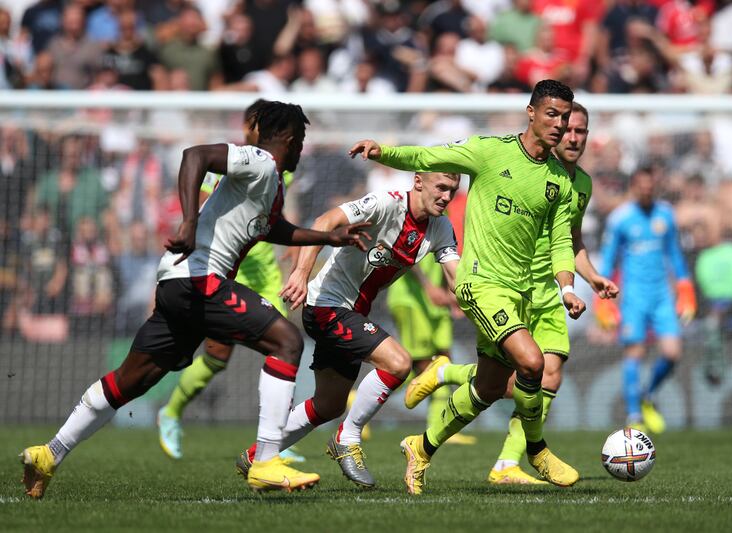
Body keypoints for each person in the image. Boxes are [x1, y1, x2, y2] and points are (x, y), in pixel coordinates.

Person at [19, 100, 370, 499]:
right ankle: (266, 460)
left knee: (133, 379)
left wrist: (326, 237)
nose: (302, 148)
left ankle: (49, 454)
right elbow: (195, 155)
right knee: (286, 342)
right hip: (199, 279)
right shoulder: (258, 160)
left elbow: (273, 229)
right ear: (288, 137)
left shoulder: (270, 181)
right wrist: (188, 220)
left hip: (177, 282)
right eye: (301, 139)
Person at [349, 79, 586, 495]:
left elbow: (562, 241)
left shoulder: (559, 181)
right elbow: (428, 155)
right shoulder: (489, 151)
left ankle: (420, 448)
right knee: (533, 365)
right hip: (480, 283)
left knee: (490, 388)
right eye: (551, 114)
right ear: (530, 113)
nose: (559, 124)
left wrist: (567, 287)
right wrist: (383, 150)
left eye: (565, 117)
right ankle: (537, 450)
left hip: (522, 293)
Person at [404, 102, 619, 484]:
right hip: (509, 288)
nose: (572, 136)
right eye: (567, 127)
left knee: (546, 376)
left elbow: (570, 240)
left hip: (549, 291)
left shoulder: (580, 184)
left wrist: (591, 277)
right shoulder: (527, 167)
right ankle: (459, 389)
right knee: (507, 380)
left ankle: (505, 462)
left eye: (580, 130)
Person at [235, 171, 462, 489]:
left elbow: (457, 277)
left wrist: (477, 301)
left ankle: (257, 455)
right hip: (327, 305)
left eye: (453, 190)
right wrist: (301, 273)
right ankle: (348, 438)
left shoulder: (440, 228)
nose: (446, 197)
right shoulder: (386, 203)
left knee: (328, 404)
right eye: (441, 187)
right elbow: (323, 221)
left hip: (352, 312)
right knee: (398, 363)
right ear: (419, 181)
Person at [157, 99, 301, 464]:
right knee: (218, 356)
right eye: (251, 122)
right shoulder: (230, 158)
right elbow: (206, 205)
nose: (251, 129)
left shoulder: (280, 164)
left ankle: (276, 439)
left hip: (263, 271)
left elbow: (283, 211)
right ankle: (171, 411)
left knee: (284, 343)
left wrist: (299, 255)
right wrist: (188, 230)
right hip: (220, 266)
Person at [598, 167, 696, 433]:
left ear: (656, 185)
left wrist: (685, 287)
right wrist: (603, 300)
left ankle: (647, 395)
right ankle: (633, 415)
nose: (646, 189)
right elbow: (608, 259)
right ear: (633, 186)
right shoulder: (621, 219)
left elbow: (674, 254)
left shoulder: (665, 214)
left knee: (672, 352)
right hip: (634, 296)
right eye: (641, 185)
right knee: (635, 351)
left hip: (663, 295)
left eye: (650, 185)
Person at [388, 253, 477, 446]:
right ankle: (367, 395)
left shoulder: (446, 224)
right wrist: (428, 287)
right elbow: (405, 256)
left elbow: (447, 259)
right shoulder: (416, 223)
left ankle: (441, 427)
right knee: (424, 365)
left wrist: (453, 293)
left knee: (443, 362)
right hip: (412, 300)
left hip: (435, 305)